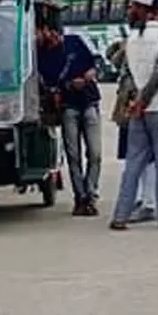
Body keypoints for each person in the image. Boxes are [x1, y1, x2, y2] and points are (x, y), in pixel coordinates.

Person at [110, 0, 158, 230]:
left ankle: (120, 215)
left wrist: (136, 102)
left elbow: (128, 71)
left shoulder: (133, 37)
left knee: (133, 164)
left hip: (137, 110)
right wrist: (144, 100)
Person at [57, 27, 103, 215]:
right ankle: (81, 196)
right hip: (68, 106)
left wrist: (91, 73)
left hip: (89, 101)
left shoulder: (74, 41)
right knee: (73, 155)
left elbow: (93, 63)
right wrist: (68, 83)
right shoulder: (44, 52)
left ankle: (90, 192)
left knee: (95, 153)